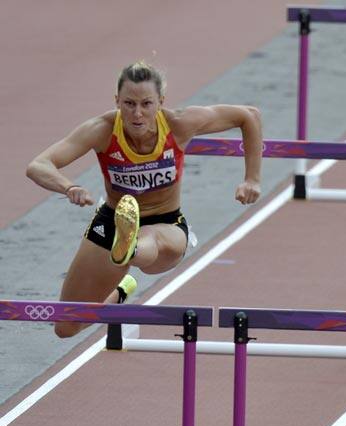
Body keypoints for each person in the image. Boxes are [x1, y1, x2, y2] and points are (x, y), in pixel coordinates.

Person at [26, 61, 263, 338]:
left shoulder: (178, 124)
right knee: (65, 327)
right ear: (117, 101)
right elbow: (38, 165)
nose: (137, 114)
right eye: (128, 103)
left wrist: (252, 179)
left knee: (145, 240)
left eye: (146, 104)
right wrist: (68, 187)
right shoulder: (102, 129)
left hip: (166, 225)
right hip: (112, 220)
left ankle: (131, 248)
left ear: (160, 102)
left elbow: (249, 116)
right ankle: (122, 286)